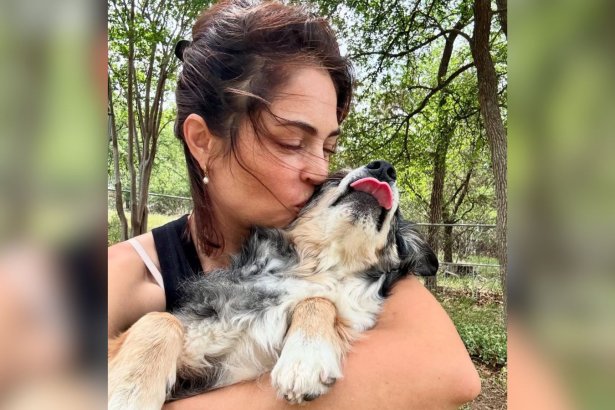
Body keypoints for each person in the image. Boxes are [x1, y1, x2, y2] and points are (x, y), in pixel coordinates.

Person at [108, 0, 481, 408]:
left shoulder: (360, 272)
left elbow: (451, 374)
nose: (321, 172)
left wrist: (316, 316)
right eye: (291, 141)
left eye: (329, 148)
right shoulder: (120, 276)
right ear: (202, 142)